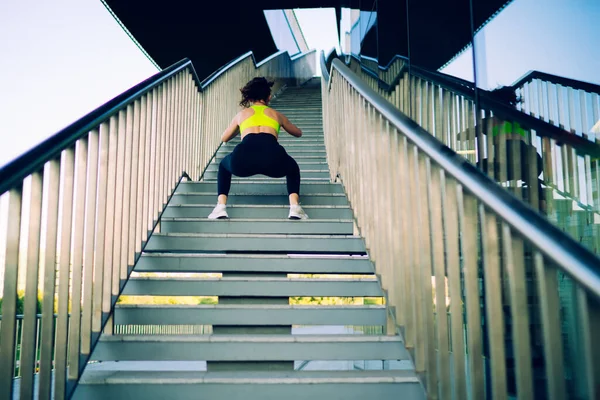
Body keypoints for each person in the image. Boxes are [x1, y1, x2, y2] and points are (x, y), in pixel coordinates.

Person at [208, 77, 309, 220]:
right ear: (268, 97)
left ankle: (220, 207)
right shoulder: (276, 115)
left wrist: (241, 127)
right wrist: (283, 124)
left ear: (250, 97)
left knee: (224, 166)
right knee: (293, 168)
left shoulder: (241, 115)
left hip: (243, 159)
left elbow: (224, 138)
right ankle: (295, 207)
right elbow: (298, 133)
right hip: (273, 158)